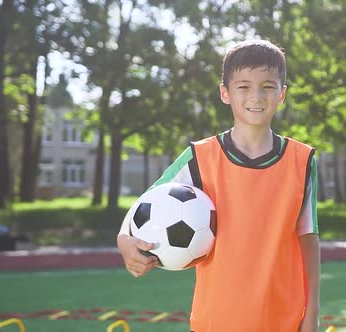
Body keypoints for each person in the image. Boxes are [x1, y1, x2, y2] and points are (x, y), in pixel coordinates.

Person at [117, 39, 320, 332]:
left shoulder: (302, 160)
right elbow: (146, 204)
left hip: (283, 320)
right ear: (225, 93)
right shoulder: (200, 156)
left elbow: (309, 240)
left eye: (267, 86)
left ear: (282, 94)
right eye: (244, 86)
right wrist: (125, 241)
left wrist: (311, 314)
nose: (257, 96)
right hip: (216, 320)